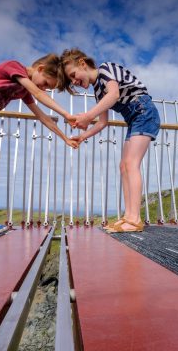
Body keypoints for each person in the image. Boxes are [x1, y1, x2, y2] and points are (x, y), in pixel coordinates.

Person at [0, 54, 78, 235]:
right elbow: (37, 92)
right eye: (46, 84)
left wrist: (65, 138)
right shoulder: (14, 66)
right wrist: (67, 114)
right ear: (40, 69)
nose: (43, 88)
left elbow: (43, 117)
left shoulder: (23, 91)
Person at [59, 48, 160, 233]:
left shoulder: (106, 69)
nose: (74, 81)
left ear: (82, 63)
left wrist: (88, 115)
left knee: (131, 164)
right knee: (124, 166)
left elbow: (113, 95)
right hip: (134, 119)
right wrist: (82, 136)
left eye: (73, 75)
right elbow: (103, 122)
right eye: (71, 80)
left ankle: (135, 219)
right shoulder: (98, 92)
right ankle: (128, 216)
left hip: (144, 111)